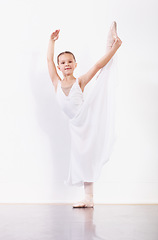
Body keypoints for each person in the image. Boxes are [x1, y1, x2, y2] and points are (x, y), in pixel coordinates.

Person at [47, 22, 122, 208]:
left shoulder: (79, 82)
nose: (66, 65)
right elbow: (48, 61)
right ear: (59, 66)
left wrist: (116, 49)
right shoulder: (56, 82)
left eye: (70, 62)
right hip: (75, 125)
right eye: (63, 62)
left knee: (102, 73)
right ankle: (88, 198)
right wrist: (51, 42)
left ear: (75, 64)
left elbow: (97, 65)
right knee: (81, 158)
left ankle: (113, 43)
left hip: (86, 119)